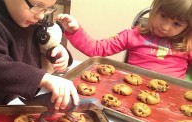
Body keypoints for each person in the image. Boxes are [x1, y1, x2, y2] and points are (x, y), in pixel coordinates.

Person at [0, 0, 79, 109]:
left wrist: (55, 50)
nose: (41, 16)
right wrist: (43, 79)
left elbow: (43, 39)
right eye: (37, 6)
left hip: (26, 98)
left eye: (47, 9)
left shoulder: (31, 17)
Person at [56, 0, 192, 79]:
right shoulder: (133, 35)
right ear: (155, 9)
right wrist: (75, 31)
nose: (165, 27)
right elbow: (97, 49)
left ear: (188, 26)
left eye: (177, 24)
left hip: (172, 101)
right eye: (163, 16)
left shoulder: (188, 45)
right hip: (131, 94)